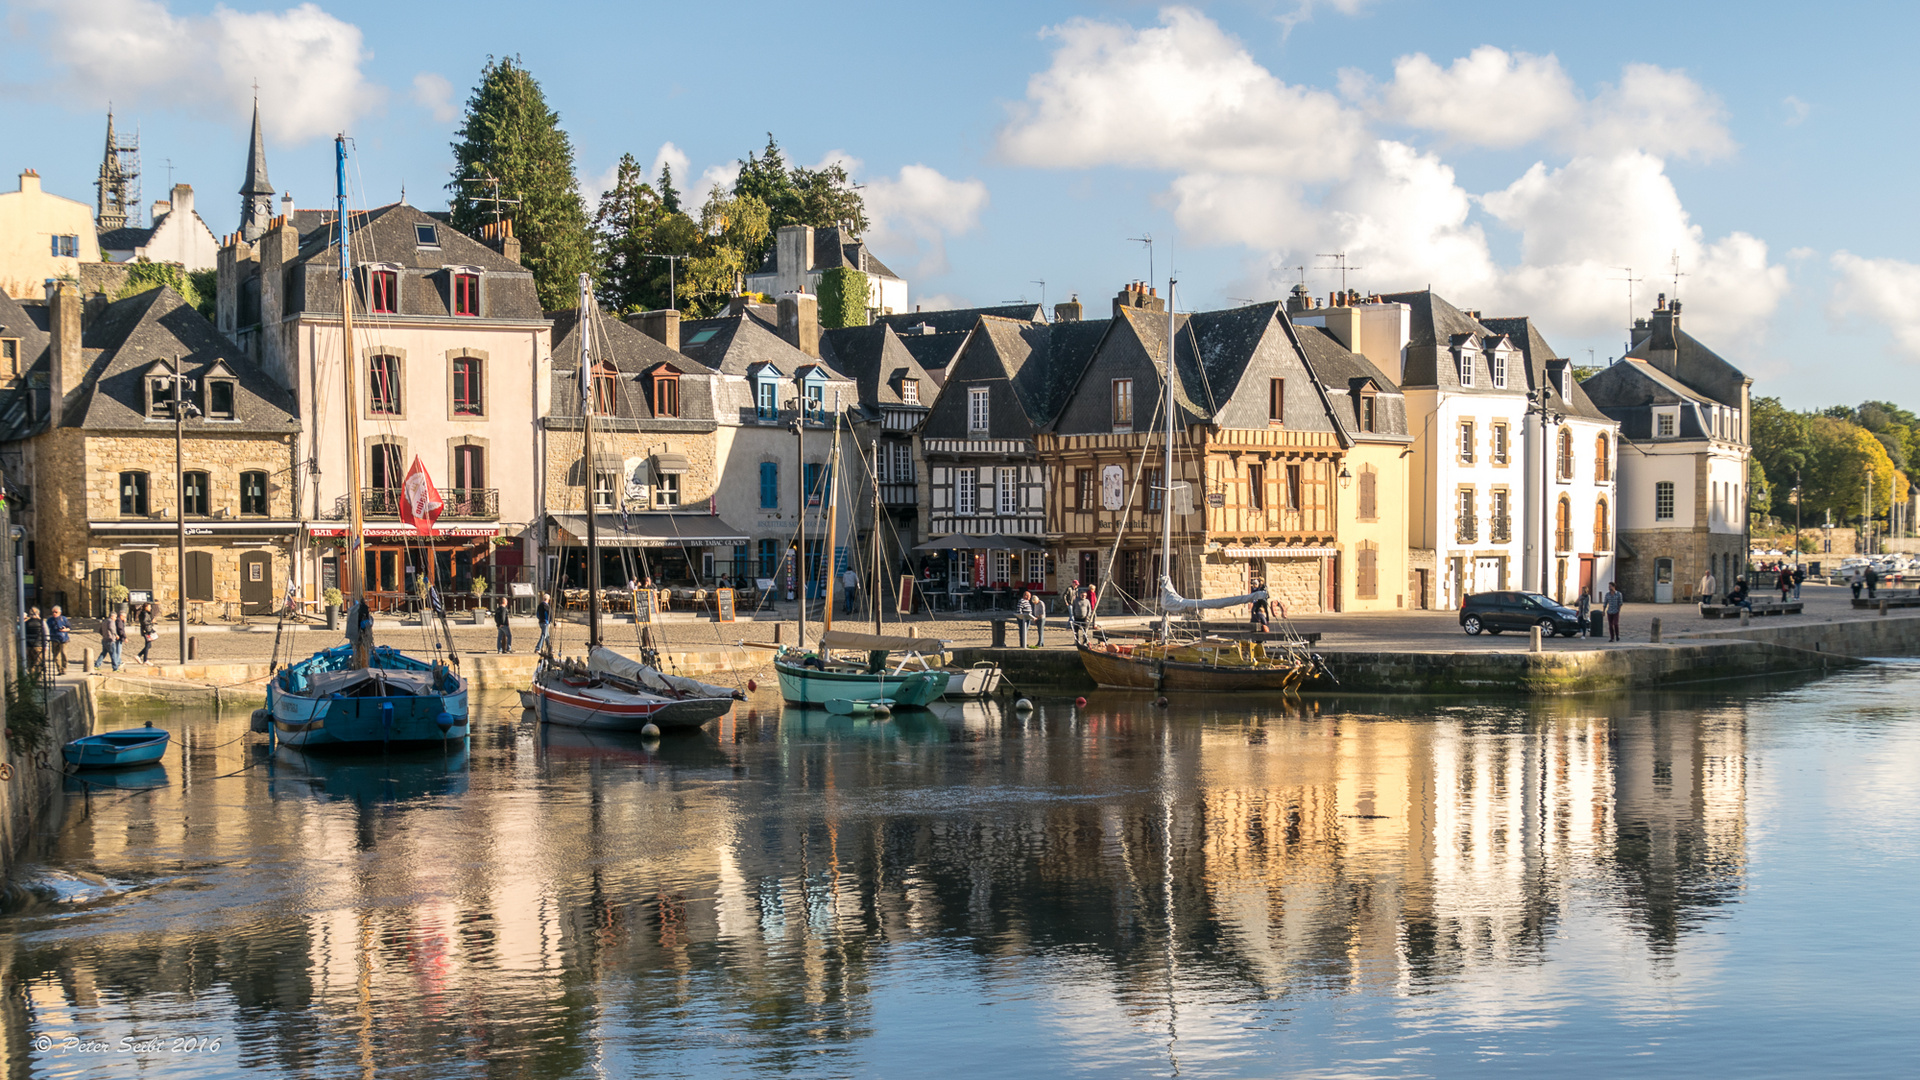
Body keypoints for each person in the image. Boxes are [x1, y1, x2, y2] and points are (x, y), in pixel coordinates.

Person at [47, 606, 71, 675]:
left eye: (56, 612)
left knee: (64, 653)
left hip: (63, 639)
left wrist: (65, 630)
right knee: (56, 656)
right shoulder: (50, 620)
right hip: (54, 639)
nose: (54, 613)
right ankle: (60, 670)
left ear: (60, 613)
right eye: (53, 612)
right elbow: (46, 628)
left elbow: (69, 628)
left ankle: (64, 667)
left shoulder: (64, 619)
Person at [23, 607, 44, 673]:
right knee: (38, 662)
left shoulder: (26, 623)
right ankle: (36, 678)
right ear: (39, 613)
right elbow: (46, 634)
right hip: (38, 645)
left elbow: (21, 633)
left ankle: (31, 677)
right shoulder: (41, 623)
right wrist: (46, 645)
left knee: (29, 662)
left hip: (28, 645)